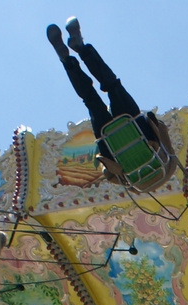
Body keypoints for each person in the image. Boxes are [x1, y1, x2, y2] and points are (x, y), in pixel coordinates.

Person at [44, 18, 178, 193]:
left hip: (137, 127)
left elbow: (163, 134)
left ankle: (82, 48)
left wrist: (154, 122)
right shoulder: (135, 185)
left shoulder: (170, 166)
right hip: (109, 141)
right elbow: (109, 173)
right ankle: (66, 60)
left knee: (113, 85)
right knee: (90, 100)